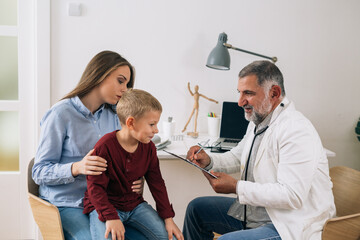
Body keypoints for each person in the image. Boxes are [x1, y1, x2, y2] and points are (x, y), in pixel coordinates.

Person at [182, 60, 336, 240]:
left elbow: (292, 195)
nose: (240, 102)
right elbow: (238, 156)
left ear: (274, 93)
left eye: (248, 93)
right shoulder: (259, 120)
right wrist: (209, 161)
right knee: (197, 209)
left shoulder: (296, 130)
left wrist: (237, 187)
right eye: (239, 93)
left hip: (287, 225)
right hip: (257, 214)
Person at [32, 50, 146, 240]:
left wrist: (136, 178)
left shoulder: (117, 117)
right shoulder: (60, 114)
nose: (125, 89)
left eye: (127, 83)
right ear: (100, 74)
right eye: (120, 81)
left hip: (105, 202)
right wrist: (77, 167)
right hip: (67, 203)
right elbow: (38, 172)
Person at [83, 89, 184, 240]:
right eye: (151, 124)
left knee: (171, 237)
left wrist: (168, 218)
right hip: (105, 206)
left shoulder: (149, 147)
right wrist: (111, 217)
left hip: (134, 205)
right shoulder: (104, 147)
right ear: (131, 122)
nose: (156, 130)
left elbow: (157, 183)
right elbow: (95, 188)